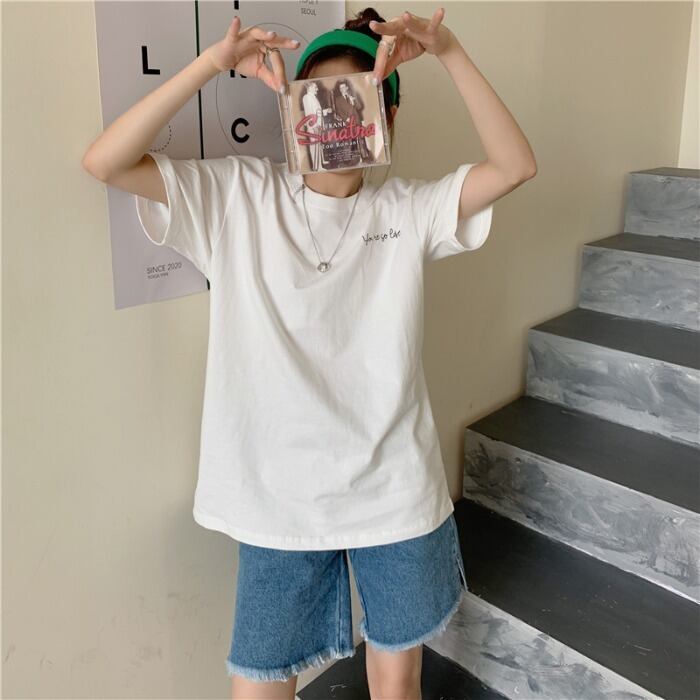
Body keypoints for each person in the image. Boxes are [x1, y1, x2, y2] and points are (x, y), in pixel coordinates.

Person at [82, 6, 536, 699]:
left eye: (355, 97)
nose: (334, 114)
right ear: (293, 111)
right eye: (316, 97)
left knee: (397, 683)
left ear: (385, 116)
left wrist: (449, 50)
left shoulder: (405, 210)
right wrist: (211, 65)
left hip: (395, 491)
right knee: (259, 684)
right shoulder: (238, 196)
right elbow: (105, 161)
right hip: (276, 498)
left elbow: (515, 165)